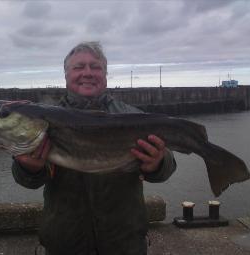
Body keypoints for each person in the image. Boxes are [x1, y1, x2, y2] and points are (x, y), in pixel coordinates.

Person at [12, 41, 176, 255]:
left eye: (95, 67)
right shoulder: (43, 121)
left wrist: (158, 163)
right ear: (66, 75)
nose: (87, 73)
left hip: (125, 244)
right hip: (65, 244)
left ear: (105, 75)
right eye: (78, 67)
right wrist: (28, 168)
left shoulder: (132, 117)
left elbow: (168, 166)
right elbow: (26, 180)